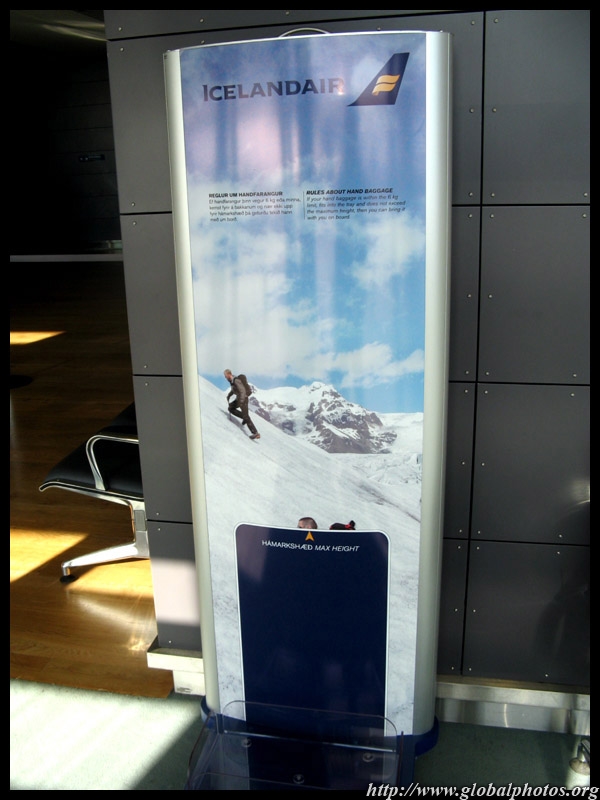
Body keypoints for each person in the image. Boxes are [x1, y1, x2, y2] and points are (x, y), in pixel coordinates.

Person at [224, 369, 260, 439]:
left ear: (229, 374)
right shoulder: (232, 381)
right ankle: (244, 417)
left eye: (225, 376)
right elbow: (234, 389)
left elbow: (242, 391)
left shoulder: (236, 380)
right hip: (239, 399)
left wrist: (241, 401)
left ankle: (255, 433)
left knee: (246, 416)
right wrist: (229, 395)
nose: (225, 377)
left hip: (243, 399)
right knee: (231, 408)